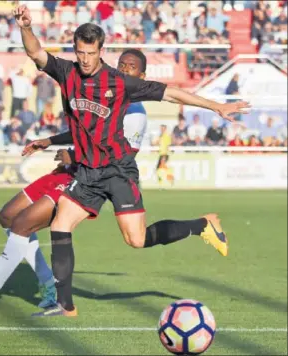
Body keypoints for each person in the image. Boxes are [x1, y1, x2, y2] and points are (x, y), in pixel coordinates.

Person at [14, 5, 250, 317]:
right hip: (86, 172)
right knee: (60, 225)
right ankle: (65, 305)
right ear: (75, 49)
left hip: (117, 170)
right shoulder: (66, 72)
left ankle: (202, 224)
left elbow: (172, 95)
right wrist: (26, 27)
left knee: (136, 240)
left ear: (101, 50)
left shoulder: (119, 82)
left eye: (91, 52)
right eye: (81, 52)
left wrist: (215, 105)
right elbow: (35, 53)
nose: (85, 59)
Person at [0, 49, 151, 311]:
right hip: (69, 168)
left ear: (142, 76)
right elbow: (84, 130)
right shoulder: (108, 94)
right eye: (122, 65)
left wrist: (72, 155)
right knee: (8, 216)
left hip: (86, 175)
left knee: (22, 224)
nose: (124, 70)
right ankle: (46, 281)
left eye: (131, 67)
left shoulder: (135, 112)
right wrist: (49, 141)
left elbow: (115, 153)